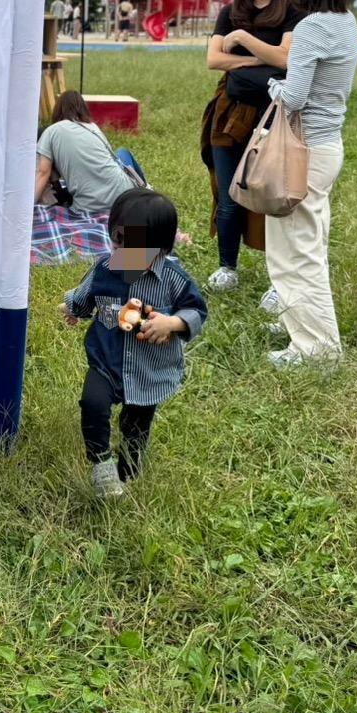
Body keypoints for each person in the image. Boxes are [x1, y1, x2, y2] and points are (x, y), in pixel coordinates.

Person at [61, 187, 207, 498]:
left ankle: (129, 469)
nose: (122, 252)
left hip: (148, 368)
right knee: (93, 403)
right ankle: (101, 466)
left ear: (161, 248)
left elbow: (197, 310)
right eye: (117, 240)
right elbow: (87, 295)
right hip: (106, 360)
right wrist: (72, 308)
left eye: (135, 247)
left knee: (136, 424)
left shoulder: (173, 278)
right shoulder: (105, 267)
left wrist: (172, 322)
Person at [263, 0, 357, 367]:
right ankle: (297, 321)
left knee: (293, 251)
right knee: (310, 244)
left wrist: (273, 86)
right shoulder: (346, 22)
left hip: (301, 150)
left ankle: (316, 348)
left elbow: (296, 95)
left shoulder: (312, 27)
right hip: (326, 147)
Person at [200, 0, 301, 296]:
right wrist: (265, 57)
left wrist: (242, 41)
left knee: (273, 196)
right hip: (230, 113)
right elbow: (213, 60)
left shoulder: (292, 10)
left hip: (275, 115)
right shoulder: (231, 11)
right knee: (228, 195)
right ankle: (227, 266)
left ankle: (280, 280)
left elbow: (288, 60)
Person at [35, 90, 138, 215]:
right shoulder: (93, 127)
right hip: (125, 196)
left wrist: (27, 208)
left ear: (58, 109)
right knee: (122, 153)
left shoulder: (50, 131)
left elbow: (43, 173)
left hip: (90, 206)